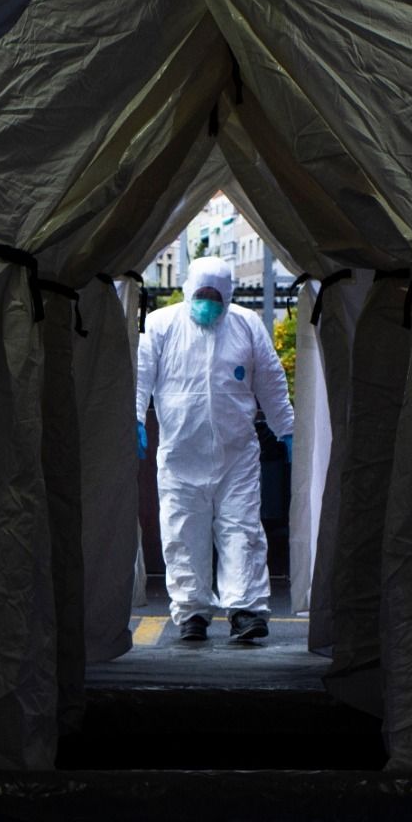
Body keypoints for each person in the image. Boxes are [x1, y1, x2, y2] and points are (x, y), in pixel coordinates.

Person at [136, 256, 294, 643]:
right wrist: (134, 418)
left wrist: (286, 428)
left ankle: (246, 610)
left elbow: (271, 379)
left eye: (215, 296)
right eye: (202, 294)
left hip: (236, 455)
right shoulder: (161, 325)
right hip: (179, 456)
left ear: (228, 295)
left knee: (242, 531)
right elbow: (139, 375)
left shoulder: (246, 325)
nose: (208, 302)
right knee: (183, 533)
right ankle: (192, 612)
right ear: (189, 289)